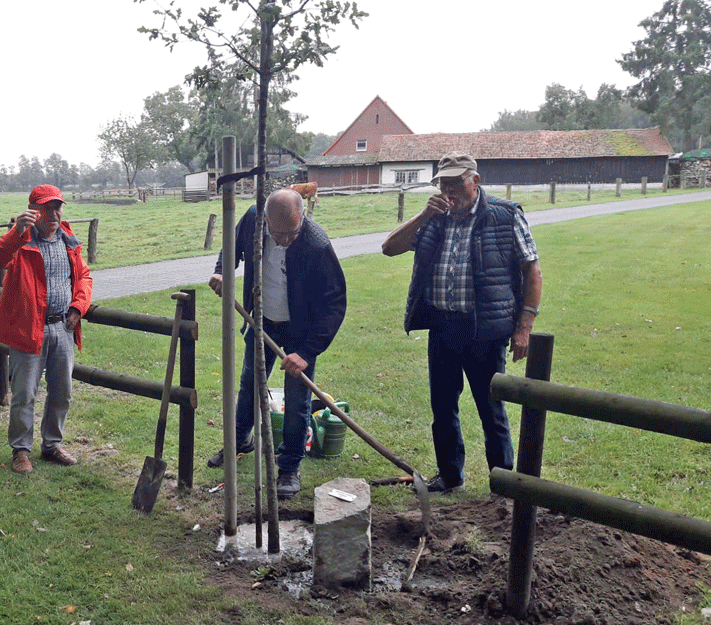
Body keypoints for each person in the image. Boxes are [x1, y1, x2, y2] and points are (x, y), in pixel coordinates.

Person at [381, 152, 542, 494]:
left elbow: (532, 269)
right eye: (443, 183)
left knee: (491, 408)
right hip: (442, 326)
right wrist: (425, 213)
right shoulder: (434, 219)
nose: (449, 191)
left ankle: (504, 481)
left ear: (476, 181)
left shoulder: (504, 214)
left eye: (456, 183)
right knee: (442, 405)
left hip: (485, 328)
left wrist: (524, 325)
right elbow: (389, 248)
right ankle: (450, 474)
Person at [207, 187, 347, 499]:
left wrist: (307, 353)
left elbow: (334, 304)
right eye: (278, 233)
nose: (285, 240)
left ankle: (288, 467)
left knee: (298, 398)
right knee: (249, 383)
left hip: (301, 331)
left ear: (302, 220)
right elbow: (232, 245)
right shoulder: (254, 219)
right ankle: (240, 442)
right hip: (262, 322)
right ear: (266, 220)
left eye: (292, 233)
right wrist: (221, 272)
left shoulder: (316, 244)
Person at [0, 184, 93, 474]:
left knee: (63, 391)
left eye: (57, 207)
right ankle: (21, 450)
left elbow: (83, 276)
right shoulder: (21, 242)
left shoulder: (68, 240)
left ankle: (52, 445)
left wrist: (77, 307)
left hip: (63, 326)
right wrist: (16, 232)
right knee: (24, 393)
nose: (54, 213)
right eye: (47, 207)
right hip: (28, 328)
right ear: (33, 211)